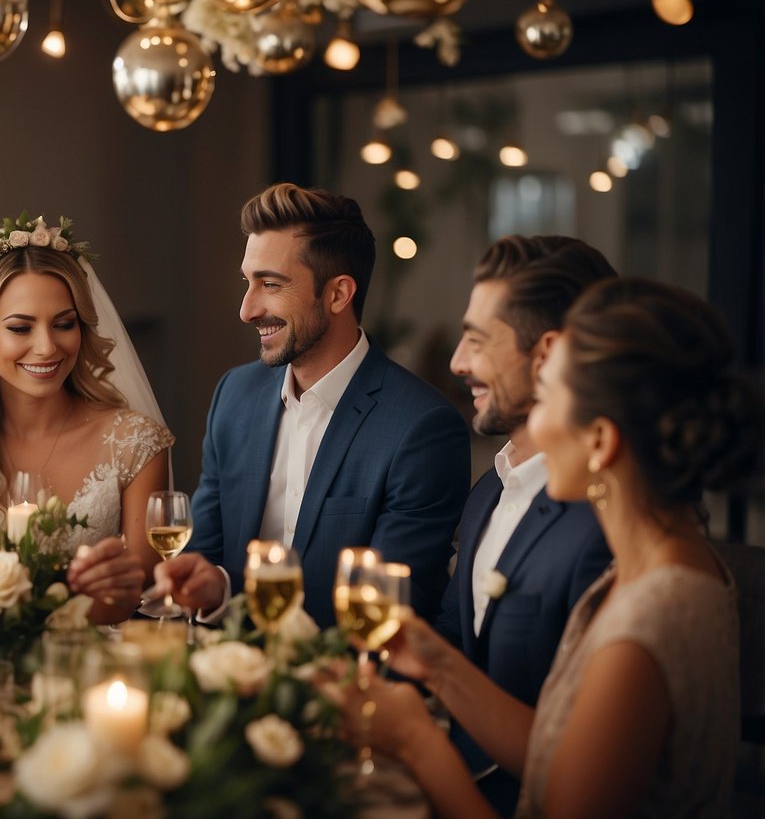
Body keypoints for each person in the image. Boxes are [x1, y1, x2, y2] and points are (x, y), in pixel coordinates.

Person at [342, 277, 760, 817]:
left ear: (601, 441)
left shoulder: (644, 627)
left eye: (549, 397)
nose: (533, 425)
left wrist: (415, 741)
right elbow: (560, 752)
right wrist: (441, 664)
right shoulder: (669, 565)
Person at [158, 183, 470, 629]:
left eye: (270, 284)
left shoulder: (423, 429)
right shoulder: (234, 396)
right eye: (247, 282)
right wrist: (212, 588)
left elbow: (390, 612)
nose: (247, 309)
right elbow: (207, 556)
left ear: (338, 294)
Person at [0, 215, 171, 624]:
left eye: (64, 324)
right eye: (20, 328)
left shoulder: (135, 443)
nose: (46, 347)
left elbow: (140, 587)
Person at [439, 236, 615, 815]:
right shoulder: (487, 490)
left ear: (547, 354)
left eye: (478, 340)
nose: (456, 363)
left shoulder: (608, 528)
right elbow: (456, 641)